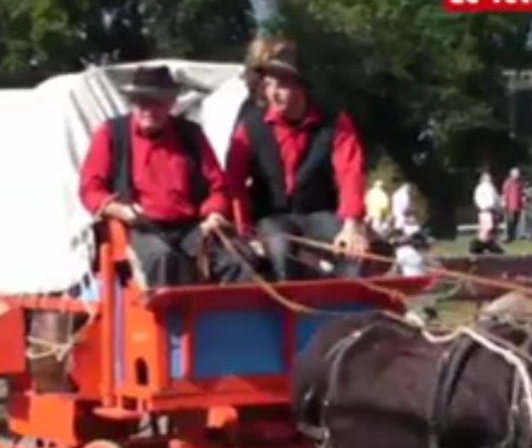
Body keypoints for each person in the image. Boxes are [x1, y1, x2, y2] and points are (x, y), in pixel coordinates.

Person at [79, 65, 248, 288]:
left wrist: (213, 213)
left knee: (239, 260)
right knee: (164, 259)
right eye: (142, 102)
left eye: (157, 102)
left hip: (192, 227)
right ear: (133, 103)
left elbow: (218, 186)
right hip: (140, 229)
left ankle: (234, 311)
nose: (148, 109)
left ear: (171, 103)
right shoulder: (112, 134)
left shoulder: (191, 134)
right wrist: (117, 209)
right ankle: (172, 312)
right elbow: (91, 189)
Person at [225, 45, 368, 281]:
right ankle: (289, 303)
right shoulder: (250, 125)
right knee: (280, 250)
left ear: (300, 85)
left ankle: (347, 301)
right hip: (272, 217)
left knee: (354, 254)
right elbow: (234, 181)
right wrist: (244, 230)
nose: (273, 93)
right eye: (268, 85)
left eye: (281, 85)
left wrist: (351, 225)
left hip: (319, 212)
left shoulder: (335, 122)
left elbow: (350, 171)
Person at [473, 171, 501, 238]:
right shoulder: (480, 188)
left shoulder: (492, 187)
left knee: (493, 226)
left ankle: (491, 239)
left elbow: (496, 198)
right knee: (487, 226)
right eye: (487, 178)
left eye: (489, 178)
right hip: (484, 210)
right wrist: (482, 206)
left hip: (492, 209)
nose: (489, 179)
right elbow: (478, 198)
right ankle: (483, 239)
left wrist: (498, 207)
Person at [502, 167, 525, 242]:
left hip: (518, 205)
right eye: (515, 173)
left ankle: (515, 235)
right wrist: (504, 202)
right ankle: (508, 236)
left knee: (516, 221)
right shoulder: (508, 183)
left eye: (518, 173)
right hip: (510, 205)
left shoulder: (519, 183)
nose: (517, 175)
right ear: (511, 174)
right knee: (509, 221)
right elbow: (505, 193)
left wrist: (523, 202)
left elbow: (522, 193)